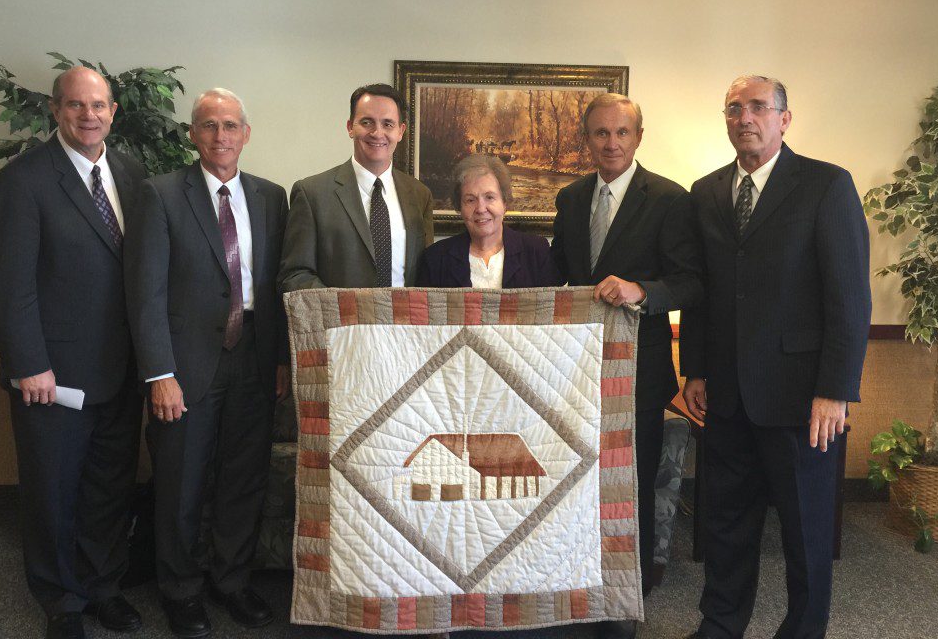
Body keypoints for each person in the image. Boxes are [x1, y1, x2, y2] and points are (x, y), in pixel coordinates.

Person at [679, 75, 871, 639]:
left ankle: (804, 630)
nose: (746, 117)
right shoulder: (707, 190)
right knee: (726, 525)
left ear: (784, 119)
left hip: (800, 397)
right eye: (734, 108)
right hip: (727, 395)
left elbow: (849, 297)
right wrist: (695, 368)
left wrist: (835, 390)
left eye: (759, 107)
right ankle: (720, 623)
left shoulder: (825, 184)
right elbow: (703, 291)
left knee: (805, 532)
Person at [0, 66, 146, 639]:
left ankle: (104, 587)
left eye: (98, 105)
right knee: (53, 492)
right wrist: (29, 363)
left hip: (123, 371)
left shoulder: (130, 173)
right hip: (51, 376)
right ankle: (61, 601)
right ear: (55, 111)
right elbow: (10, 284)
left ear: (113, 112)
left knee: (109, 487)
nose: (89, 115)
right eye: (75, 105)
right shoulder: (22, 180)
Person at [124, 88, 289, 638]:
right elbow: (144, 293)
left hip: (254, 361)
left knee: (243, 480)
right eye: (209, 125)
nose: (221, 136)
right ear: (193, 134)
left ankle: (231, 582)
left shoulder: (271, 198)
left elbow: (274, 289)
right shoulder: (162, 195)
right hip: (185, 367)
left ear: (247, 133)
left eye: (231, 126)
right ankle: (180, 590)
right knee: (181, 482)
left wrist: (282, 361)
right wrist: (159, 374)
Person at [552, 92, 702, 639]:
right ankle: (578, 583)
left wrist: (642, 290)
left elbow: (691, 281)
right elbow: (559, 278)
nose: (611, 143)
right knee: (575, 481)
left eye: (622, 133)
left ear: (638, 138)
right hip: (576, 373)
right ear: (586, 138)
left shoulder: (668, 198)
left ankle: (624, 599)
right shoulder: (569, 199)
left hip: (639, 373)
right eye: (600, 134)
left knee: (630, 484)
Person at [278, 83, 433, 291]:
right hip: (339, 322)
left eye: (388, 124)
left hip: (403, 323)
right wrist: (345, 310)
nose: (377, 133)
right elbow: (295, 276)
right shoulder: (311, 194)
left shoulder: (419, 195)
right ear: (350, 127)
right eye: (367, 122)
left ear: (401, 131)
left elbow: (426, 273)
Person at [416, 153, 559, 288]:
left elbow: (552, 311)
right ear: (459, 207)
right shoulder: (435, 258)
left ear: (504, 203)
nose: (480, 208)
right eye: (470, 200)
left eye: (489, 197)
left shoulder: (536, 252)